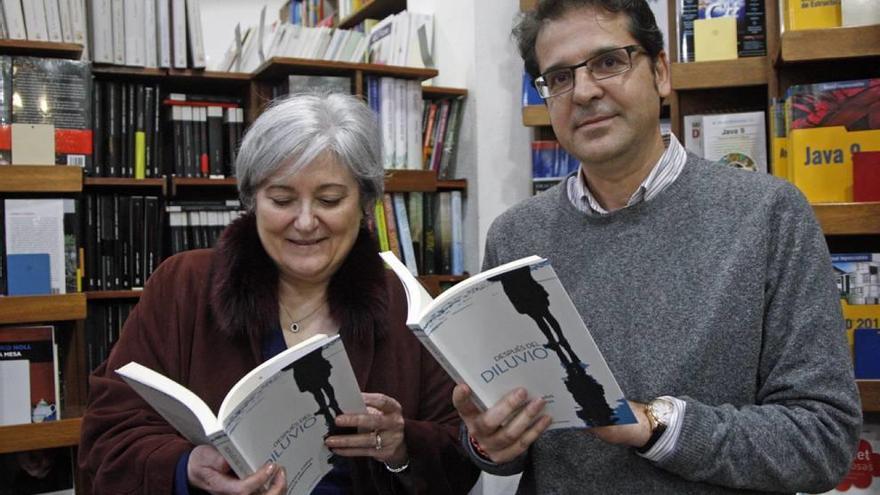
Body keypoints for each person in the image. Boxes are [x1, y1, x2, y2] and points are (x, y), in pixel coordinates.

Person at [452, 1, 862, 493]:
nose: (583, 91)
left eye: (608, 62)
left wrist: (657, 427)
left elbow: (824, 441)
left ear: (661, 72)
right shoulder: (515, 237)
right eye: (559, 77)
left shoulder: (769, 216)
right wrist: (488, 442)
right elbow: (506, 453)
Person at [78, 93, 480, 495]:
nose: (305, 222)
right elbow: (107, 436)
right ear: (253, 201)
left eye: (329, 200)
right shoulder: (182, 285)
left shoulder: (405, 304)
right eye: (282, 199)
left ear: (364, 204)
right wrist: (187, 466)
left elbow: (460, 456)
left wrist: (402, 445)